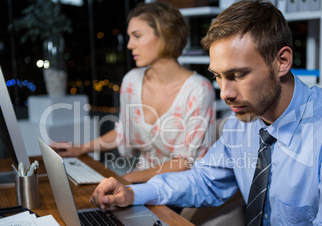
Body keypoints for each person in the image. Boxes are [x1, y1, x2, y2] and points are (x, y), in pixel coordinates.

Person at [90, 0, 322, 226]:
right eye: (217, 76)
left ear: (282, 62)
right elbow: (204, 180)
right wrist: (133, 193)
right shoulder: (242, 122)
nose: (225, 93)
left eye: (238, 75)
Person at [51, 2, 215, 183]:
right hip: (140, 182)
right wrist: (80, 149)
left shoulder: (198, 90)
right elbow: (122, 132)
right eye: (130, 37)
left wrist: (125, 179)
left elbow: (183, 163)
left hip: (180, 188)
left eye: (137, 36)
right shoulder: (132, 81)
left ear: (165, 36)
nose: (129, 45)